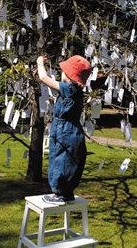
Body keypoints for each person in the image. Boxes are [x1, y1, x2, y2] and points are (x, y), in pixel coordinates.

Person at [34, 55, 92, 206]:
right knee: (71, 159)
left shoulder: (68, 89)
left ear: (69, 75)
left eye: (64, 71)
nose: (61, 74)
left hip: (63, 130)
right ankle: (67, 192)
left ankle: (59, 193)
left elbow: (44, 78)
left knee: (59, 158)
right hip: (74, 130)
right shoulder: (77, 92)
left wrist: (40, 63)